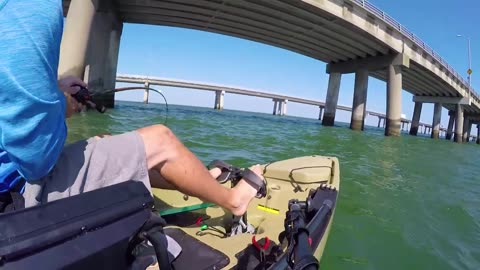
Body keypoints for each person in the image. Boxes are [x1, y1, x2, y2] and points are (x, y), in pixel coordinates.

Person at [0, 0, 264, 216]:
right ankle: (233, 201)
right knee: (161, 141)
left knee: (106, 140)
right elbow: (36, 157)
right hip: (16, 195)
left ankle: (201, 180)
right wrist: (63, 106)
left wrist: (55, 89)